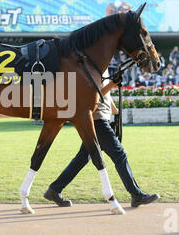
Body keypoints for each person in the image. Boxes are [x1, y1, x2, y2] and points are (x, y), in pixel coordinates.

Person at [44, 70, 159, 208]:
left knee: (82, 158)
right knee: (119, 155)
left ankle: (54, 190)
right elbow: (94, 95)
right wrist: (112, 83)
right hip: (97, 121)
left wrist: (115, 112)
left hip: (99, 119)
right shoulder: (92, 69)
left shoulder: (102, 68)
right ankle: (136, 195)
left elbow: (106, 97)